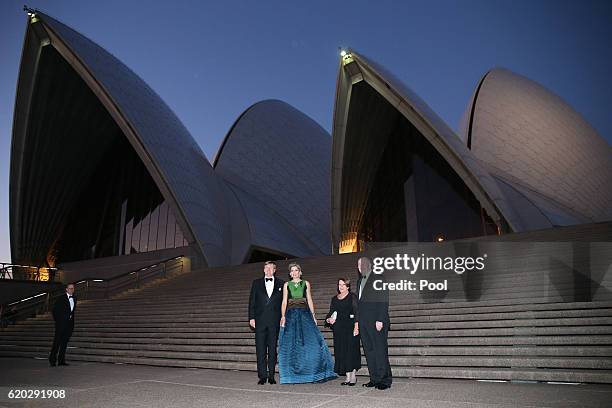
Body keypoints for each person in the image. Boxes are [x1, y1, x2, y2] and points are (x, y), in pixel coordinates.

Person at [278, 263, 337, 384]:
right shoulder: (286, 285)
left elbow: (309, 299)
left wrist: (313, 315)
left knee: (312, 342)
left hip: (304, 314)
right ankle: (292, 374)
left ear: (300, 272)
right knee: (291, 344)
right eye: (292, 271)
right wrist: (283, 316)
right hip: (291, 315)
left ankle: (314, 371)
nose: (294, 273)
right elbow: (284, 301)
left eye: (296, 270)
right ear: (290, 273)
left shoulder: (306, 283)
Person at [356, 257, 392, 390]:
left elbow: (383, 300)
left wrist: (380, 319)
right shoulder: (359, 281)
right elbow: (359, 304)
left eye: (363, 264)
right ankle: (375, 378)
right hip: (364, 322)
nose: (360, 267)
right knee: (369, 351)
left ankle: (385, 379)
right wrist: (358, 322)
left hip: (377, 321)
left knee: (380, 350)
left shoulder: (379, 278)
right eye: (358, 265)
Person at [249, 261, 285, 385]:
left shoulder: (282, 283)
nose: (269, 270)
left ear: (275, 270)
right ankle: (262, 376)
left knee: (273, 349)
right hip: (259, 321)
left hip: (274, 321)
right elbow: (252, 302)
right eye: (267, 268)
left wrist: (283, 317)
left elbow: (284, 303)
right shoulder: (256, 283)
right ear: (264, 270)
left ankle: (271, 376)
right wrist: (251, 318)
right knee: (260, 349)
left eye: (271, 268)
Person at [325, 277, 361, 385]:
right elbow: (331, 312)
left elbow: (357, 312)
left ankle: (353, 376)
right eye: (339, 285)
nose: (340, 287)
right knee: (342, 352)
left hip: (350, 327)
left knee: (351, 351)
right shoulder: (334, 299)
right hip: (339, 329)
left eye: (343, 285)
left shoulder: (352, 297)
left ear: (348, 286)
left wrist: (356, 327)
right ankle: (347, 376)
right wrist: (328, 319)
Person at [49, 283, 76, 366]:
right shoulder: (61, 298)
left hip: (69, 325)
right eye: (70, 288)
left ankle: (61, 361)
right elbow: (54, 311)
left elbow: (72, 312)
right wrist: (58, 321)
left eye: (73, 288)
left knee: (64, 343)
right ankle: (52, 360)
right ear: (66, 289)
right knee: (57, 342)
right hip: (61, 324)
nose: (72, 290)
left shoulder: (75, 298)